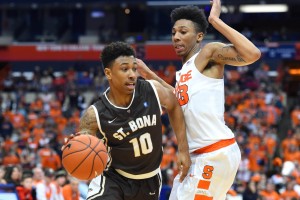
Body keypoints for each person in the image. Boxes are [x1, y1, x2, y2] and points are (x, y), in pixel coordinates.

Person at [136, 0, 261, 199]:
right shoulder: (184, 72)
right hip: (199, 156)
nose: (176, 37)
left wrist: (215, 20)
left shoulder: (208, 53)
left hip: (213, 153)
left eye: (183, 32)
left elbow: (253, 54)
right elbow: (177, 100)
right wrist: (149, 74)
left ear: (199, 36)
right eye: (174, 32)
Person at [62, 41, 191, 200]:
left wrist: (183, 149)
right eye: (124, 69)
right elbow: (82, 142)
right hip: (113, 179)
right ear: (108, 73)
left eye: (134, 69)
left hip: (148, 179)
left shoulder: (152, 90)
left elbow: (175, 105)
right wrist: (74, 147)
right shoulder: (95, 114)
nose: (132, 74)